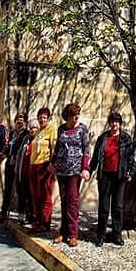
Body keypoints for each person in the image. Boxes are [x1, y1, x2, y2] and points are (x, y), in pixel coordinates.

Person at [88, 111, 133, 246]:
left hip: (119, 176)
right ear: (109, 123)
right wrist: (90, 170)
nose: (114, 124)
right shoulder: (103, 138)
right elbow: (96, 155)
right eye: (112, 121)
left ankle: (117, 234)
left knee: (118, 207)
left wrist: (130, 171)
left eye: (117, 122)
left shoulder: (126, 138)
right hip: (105, 175)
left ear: (120, 124)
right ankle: (100, 235)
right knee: (104, 207)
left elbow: (130, 157)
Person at [52, 103, 91, 246]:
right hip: (61, 170)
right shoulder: (61, 129)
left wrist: (85, 168)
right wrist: (52, 163)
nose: (76, 117)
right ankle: (63, 232)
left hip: (75, 170)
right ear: (67, 116)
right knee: (64, 202)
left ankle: (73, 234)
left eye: (77, 114)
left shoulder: (82, 129)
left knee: (72, 202)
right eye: (73, 114)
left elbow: (86, 149)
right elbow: (58, 147)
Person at [0, 113, 32, 223]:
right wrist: (3, 154)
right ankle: (3, 214)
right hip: (10, 163)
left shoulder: (27, 134)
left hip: (20, 165)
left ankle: (22, 214)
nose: (19, 122)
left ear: (25, 122)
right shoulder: (12, 133)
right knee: (7, 189)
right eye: (18, 120)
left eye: (22, 120)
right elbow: (7, 147)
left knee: (21, 190)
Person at [27, 107, 57, 233]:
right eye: (40, 117)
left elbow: (54, 148)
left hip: (45, 165)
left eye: (44, 117)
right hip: (34, 165)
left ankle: (45, 223)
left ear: (48, 118)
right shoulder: (38, 131)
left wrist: (52, 164)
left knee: (45, 196)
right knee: (35, 195)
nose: (42, 119)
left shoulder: (52, 129)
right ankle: (37, 221)